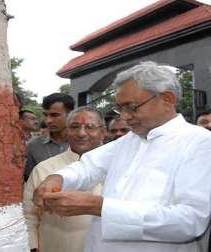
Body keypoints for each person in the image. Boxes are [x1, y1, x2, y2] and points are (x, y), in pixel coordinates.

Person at [33, 61, 211, 252]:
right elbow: (87, 167)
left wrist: (100, 207)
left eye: (132, 107)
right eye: (121, 108)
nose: (125, 116)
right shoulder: (129, 140)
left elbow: (190, 221)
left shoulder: (200, 143)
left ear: (167, 99)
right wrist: (57, 178)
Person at [24, 106, 106, 252]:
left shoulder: (120, 169)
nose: (81, 133)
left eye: (90, 127)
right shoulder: (44, 169)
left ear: (103, 132)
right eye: (74, 127)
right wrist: (33, 248)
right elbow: (29, 217)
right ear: (67, 131)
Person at [23, 93, 74, 182]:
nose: (48, 120)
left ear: (70, 114)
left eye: (55, 115)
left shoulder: (84, 144)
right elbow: (29, 180)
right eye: (45, 115)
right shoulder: (33, 146)